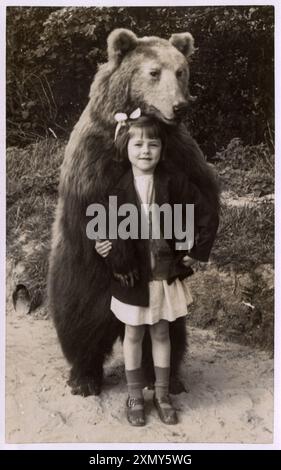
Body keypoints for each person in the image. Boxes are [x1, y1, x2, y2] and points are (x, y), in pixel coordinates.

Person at [95, 114, 219, 426]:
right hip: (132, 275)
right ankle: (136, 394)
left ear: (162, 148)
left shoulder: (174, 182)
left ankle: (162, 394)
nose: (145, 150)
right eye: (137, 143)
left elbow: (206, 211)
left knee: (161, 332)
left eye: (153, 143)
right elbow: (102, 228)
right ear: (126, 148)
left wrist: (197, 252)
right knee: (133, 334)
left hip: (164, 273)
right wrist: (103, 247)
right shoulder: (115, 186)